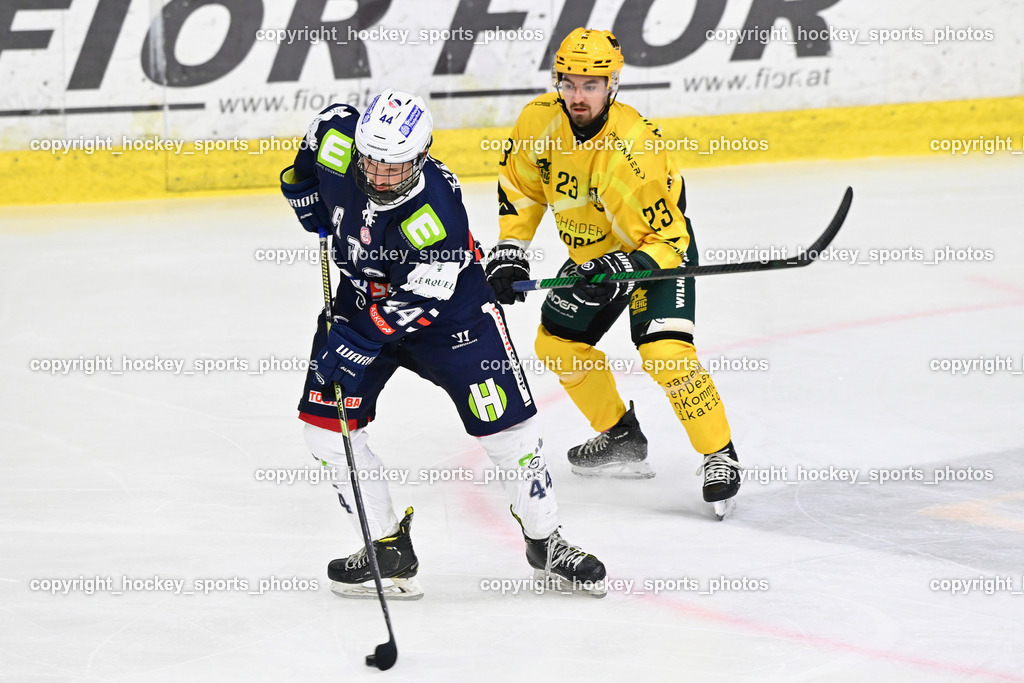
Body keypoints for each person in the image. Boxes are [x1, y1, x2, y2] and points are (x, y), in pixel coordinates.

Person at [279, 88, 606, 599]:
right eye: (371, 162)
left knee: (510, 433)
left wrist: (353, 343)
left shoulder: (436, 211)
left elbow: (419, 301)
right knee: (327, 431)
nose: (380, 177)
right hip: (360, 298)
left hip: (451, 319)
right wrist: (302, 190)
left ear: (423, 154)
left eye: (396, 168)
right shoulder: (340, 137)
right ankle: (385, 546)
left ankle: (546, 541)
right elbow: (321, 135)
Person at [485, 28, 743, 516]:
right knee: (556, 343)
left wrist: (623, 266)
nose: (578, 96)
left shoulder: (634, 147)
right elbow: (521, 186)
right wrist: (511, 248)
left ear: (612, 85)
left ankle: (719, 453)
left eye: (591, 84)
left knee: (664, 353)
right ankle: (620, 435)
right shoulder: (539, 120)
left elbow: (670, 241)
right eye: (569, 83)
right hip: (593, 255)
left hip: (653, 253)